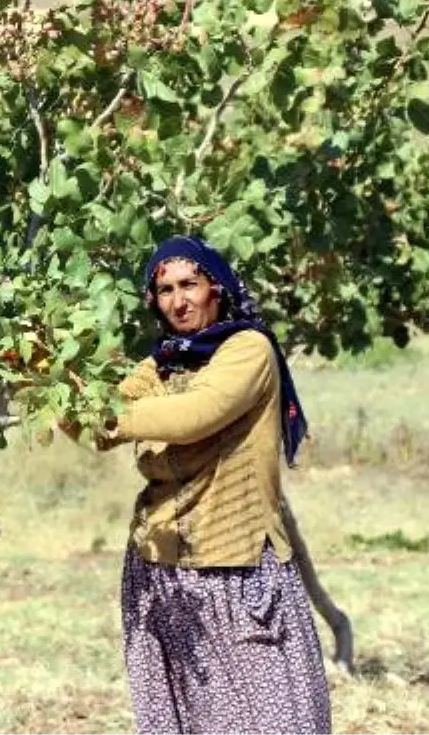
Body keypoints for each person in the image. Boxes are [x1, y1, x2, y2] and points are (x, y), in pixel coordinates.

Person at [90, 236, 331, 734]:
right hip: (159, 569)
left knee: (271, 722)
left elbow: (194, 414)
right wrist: (41, 374)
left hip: (235, 570)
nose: (178, 301)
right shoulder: (161, 362)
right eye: (165, 290)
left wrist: (105, 415)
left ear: (216, 288)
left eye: (190, 285)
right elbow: (94, 423)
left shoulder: (248, 349)